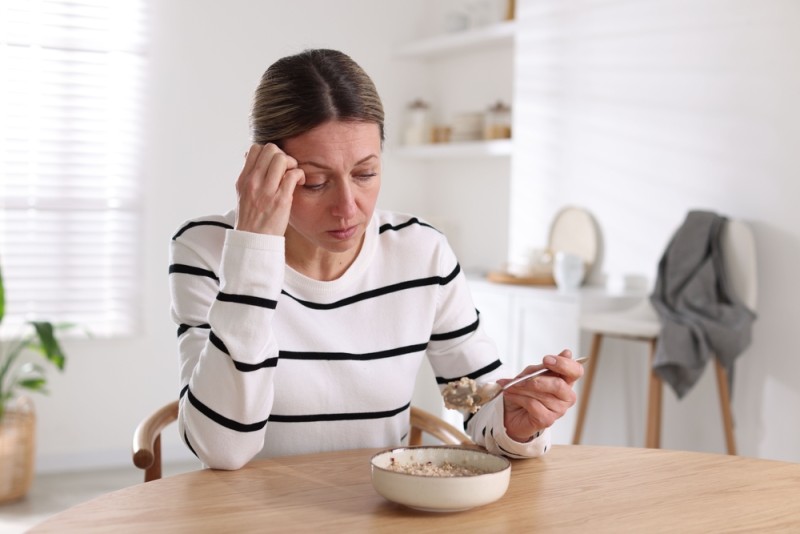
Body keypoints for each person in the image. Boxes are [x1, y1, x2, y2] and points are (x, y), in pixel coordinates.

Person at [168, 48, 583, 470]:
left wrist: (511, 420)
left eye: (365, 174)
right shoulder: (208, 251)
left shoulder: (421, 255)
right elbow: (221, 448)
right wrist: (253, 250)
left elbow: (465, 393)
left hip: (382, 509)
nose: (348, 208)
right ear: (266, 170)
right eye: (314, 182)